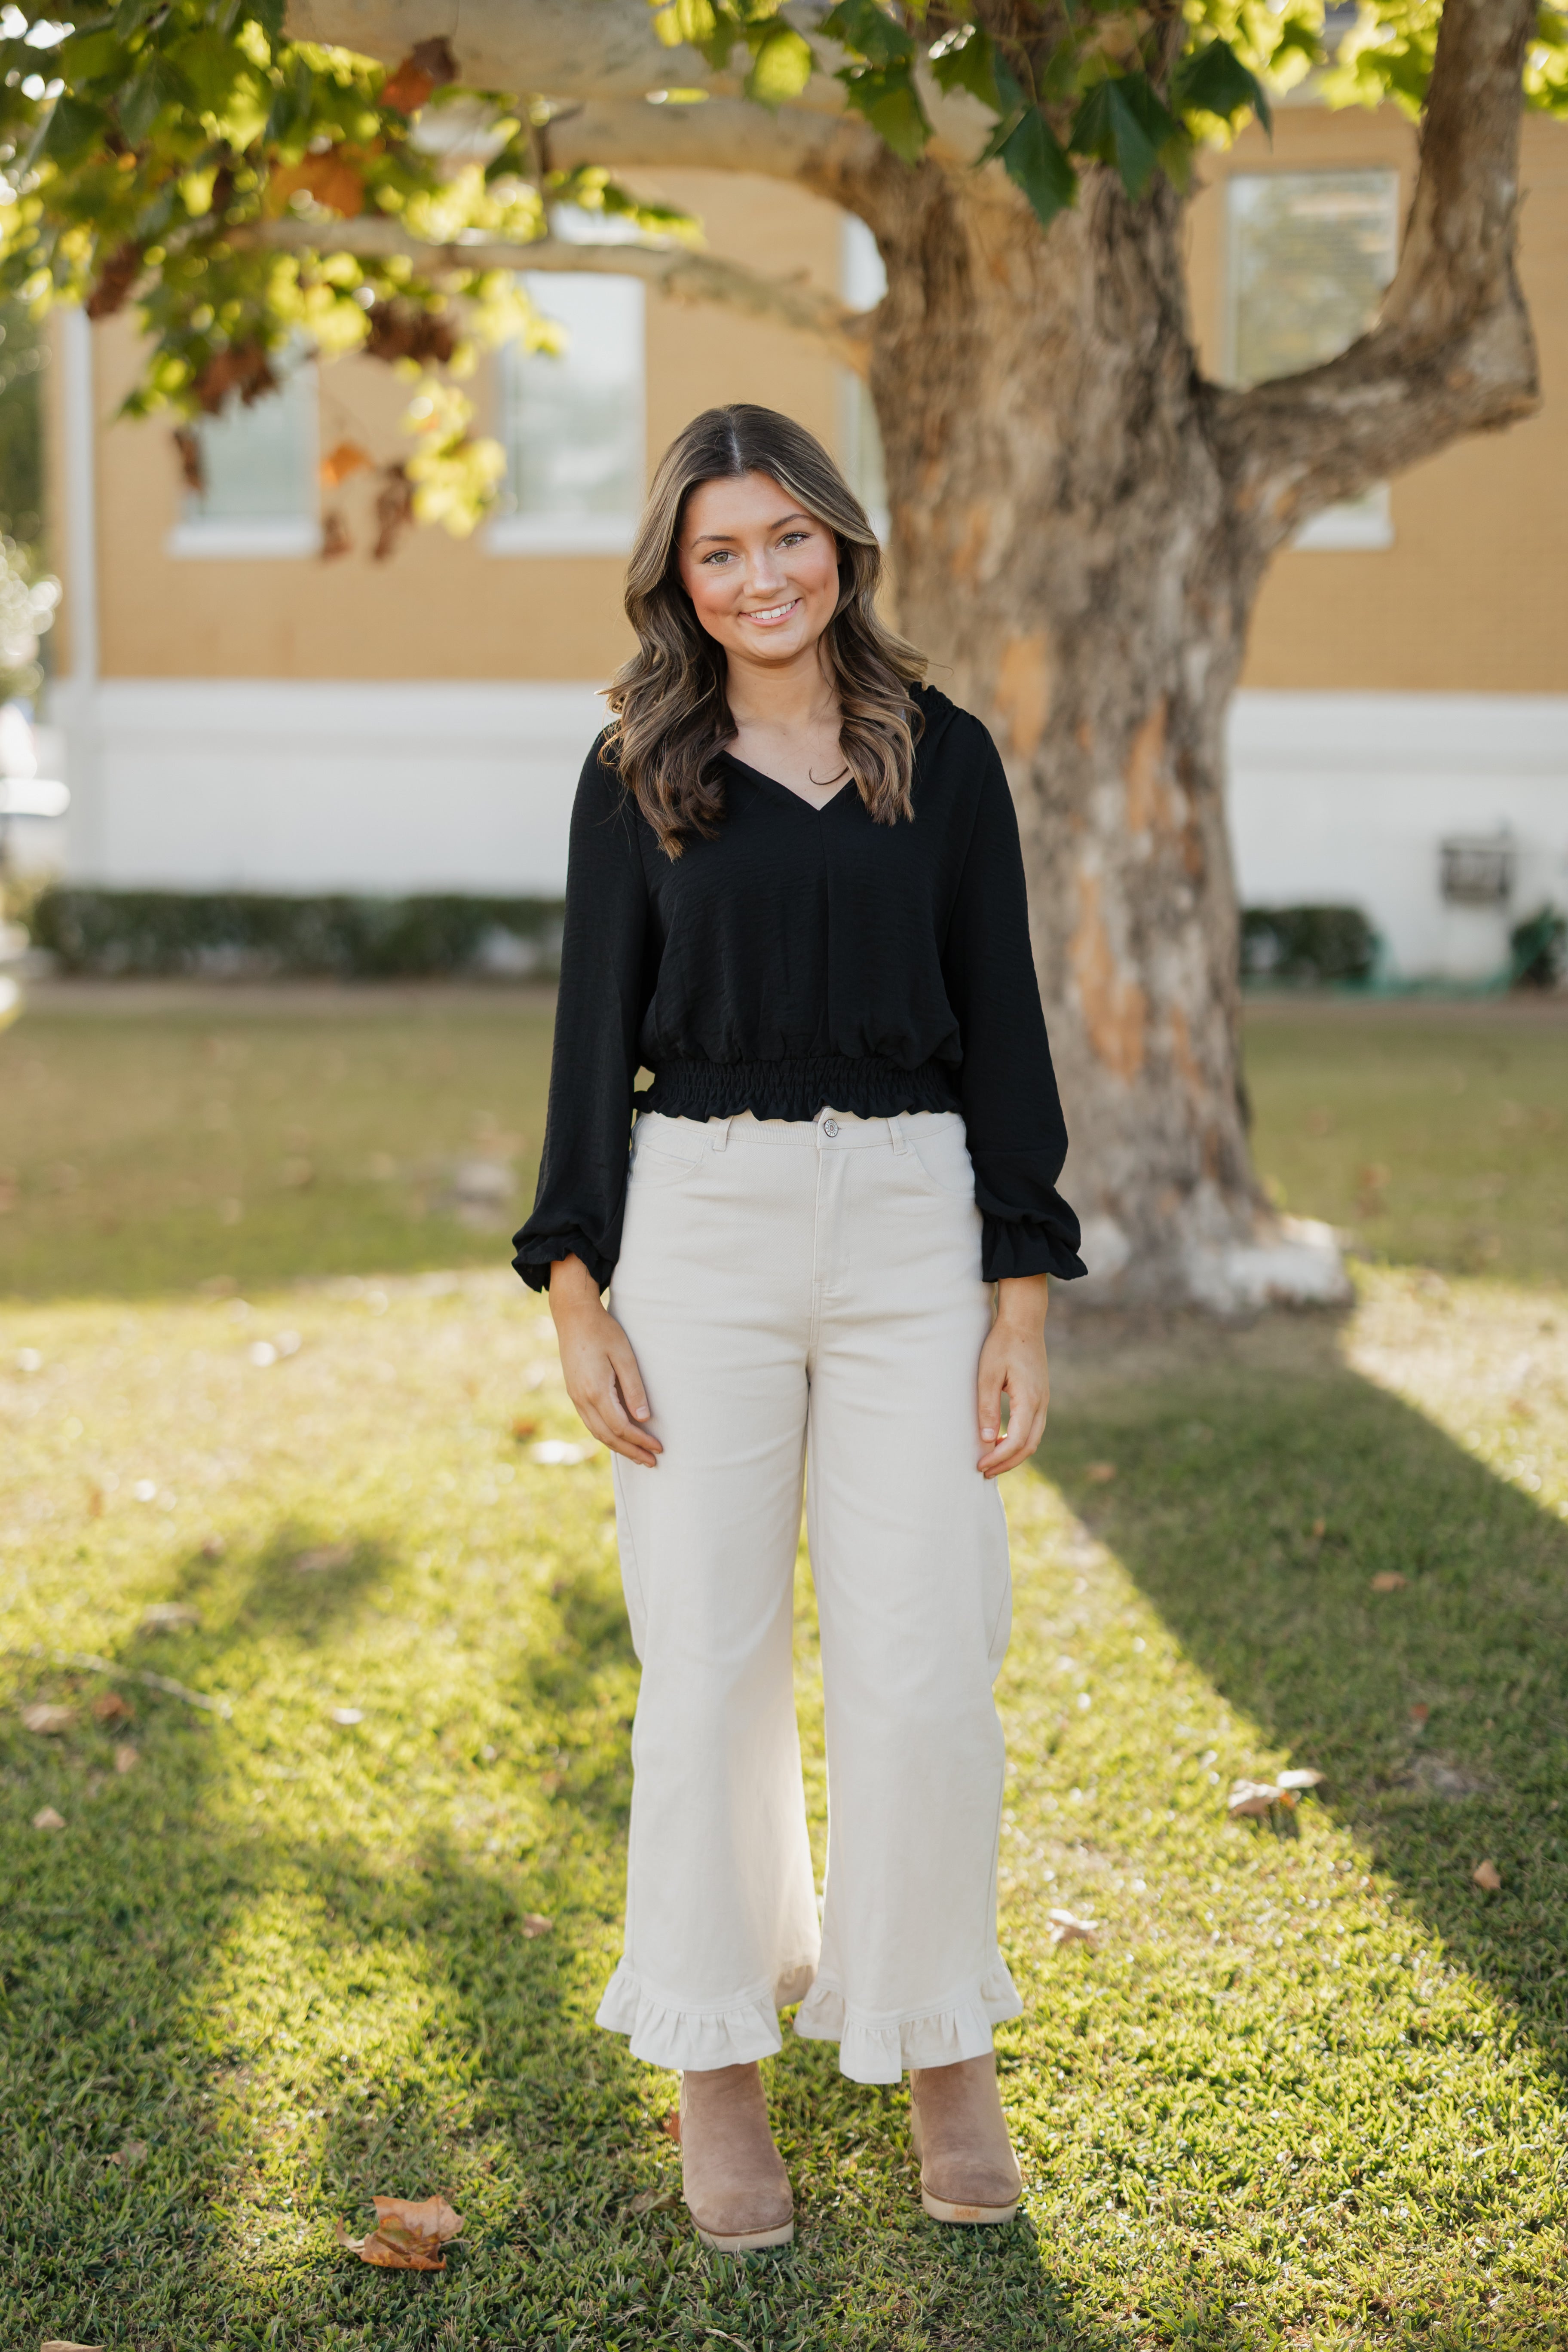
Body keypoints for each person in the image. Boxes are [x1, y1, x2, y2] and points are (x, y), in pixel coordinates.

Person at [513, 404, 1084, 2251]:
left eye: (788, 539)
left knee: (926, 1664)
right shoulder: (636, 769)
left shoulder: (949, 760)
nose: (762, 579)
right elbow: (591, 1040)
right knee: (710, 1669)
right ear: (681, 580)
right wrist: (577, 1289)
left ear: (843, 541)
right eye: (720, 552)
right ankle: (714, 2056)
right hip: (703, 1224)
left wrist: (1020, 1295)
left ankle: (935, 2038)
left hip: (918, 1218)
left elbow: (1006, 1030)